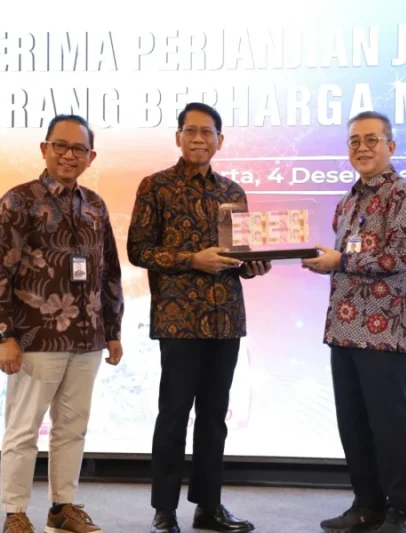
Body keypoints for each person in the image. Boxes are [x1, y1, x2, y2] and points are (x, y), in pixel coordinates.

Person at [127, 102, 270, 533]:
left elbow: (240, 258)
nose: (198, 139)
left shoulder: (233, 192)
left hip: (226, 319)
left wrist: (255, 265)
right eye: (190, 131)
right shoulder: (156, 186)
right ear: (178, 137)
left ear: (219, 141)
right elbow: (139, 250)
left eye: (207, 132)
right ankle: (164, 510)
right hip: (178, 320)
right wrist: (192, 259)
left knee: (214, 418)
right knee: (173, 416)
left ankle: (209, 507)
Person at [0, 114, 125, 533]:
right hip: (35, 337)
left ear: (90, 157)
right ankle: (15, 513)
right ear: (44, 149)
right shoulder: (18, 201)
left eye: (78, 149)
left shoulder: (95, 205)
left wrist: (113, 331)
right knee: (23, 429)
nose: (68, 155)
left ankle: (63, 507)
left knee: (72, 429)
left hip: (88, 338)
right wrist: (4, 334)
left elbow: (109, 272)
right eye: (60, 146)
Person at [302, 110, 406, 533]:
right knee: (353, 423)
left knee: (389, 424)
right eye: (354, 141)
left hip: (385, 332)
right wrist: (326, 261)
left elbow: (399, 257)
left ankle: (400, 511)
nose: (362, 147)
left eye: (371, 139)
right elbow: (350, 260)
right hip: (343, 329)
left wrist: (339, 261)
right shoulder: (347, 201)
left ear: (390, 146)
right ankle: (366, 506)